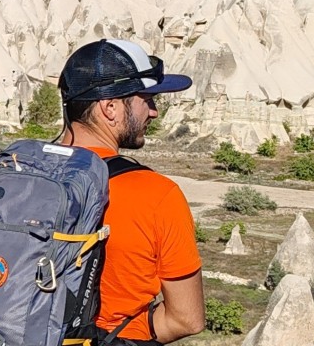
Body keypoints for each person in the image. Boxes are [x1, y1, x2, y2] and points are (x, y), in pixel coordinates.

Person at [55, 39, 206, 344]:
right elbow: (186, 319)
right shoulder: (157, 195)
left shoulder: (17, 172)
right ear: (109, 108)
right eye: (146, 99)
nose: (154, 112)